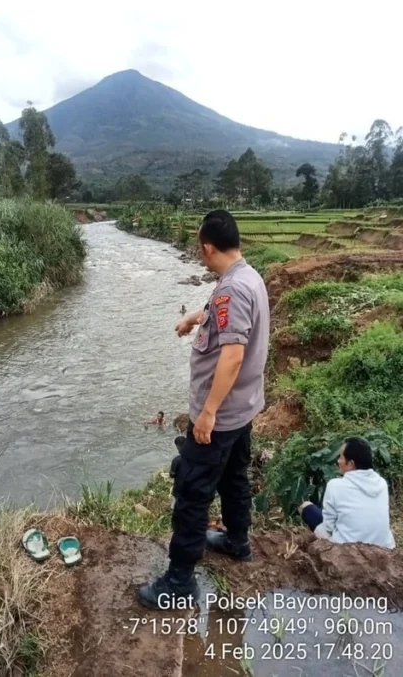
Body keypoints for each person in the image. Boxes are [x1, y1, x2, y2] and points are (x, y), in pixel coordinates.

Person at [138, 210, 270, 610]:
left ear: (208, 247)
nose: (200, 254)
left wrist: (208, 412)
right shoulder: (246, 276)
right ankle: (236, 540)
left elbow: (232, 355)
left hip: (221, 414)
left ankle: (179, 581)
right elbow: (220, 312)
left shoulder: (232, 290)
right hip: (243, 409)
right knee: (234, 478)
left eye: (200, 248)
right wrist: (195, 318)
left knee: (193, 491)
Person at [299, 438, 395, 550]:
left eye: (340, 457)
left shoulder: (335, 485)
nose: (338, 461)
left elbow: (328, 527)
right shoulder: (381, 483)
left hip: (347, 549)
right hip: (384, 547)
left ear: (351, 464)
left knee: (306, 507)